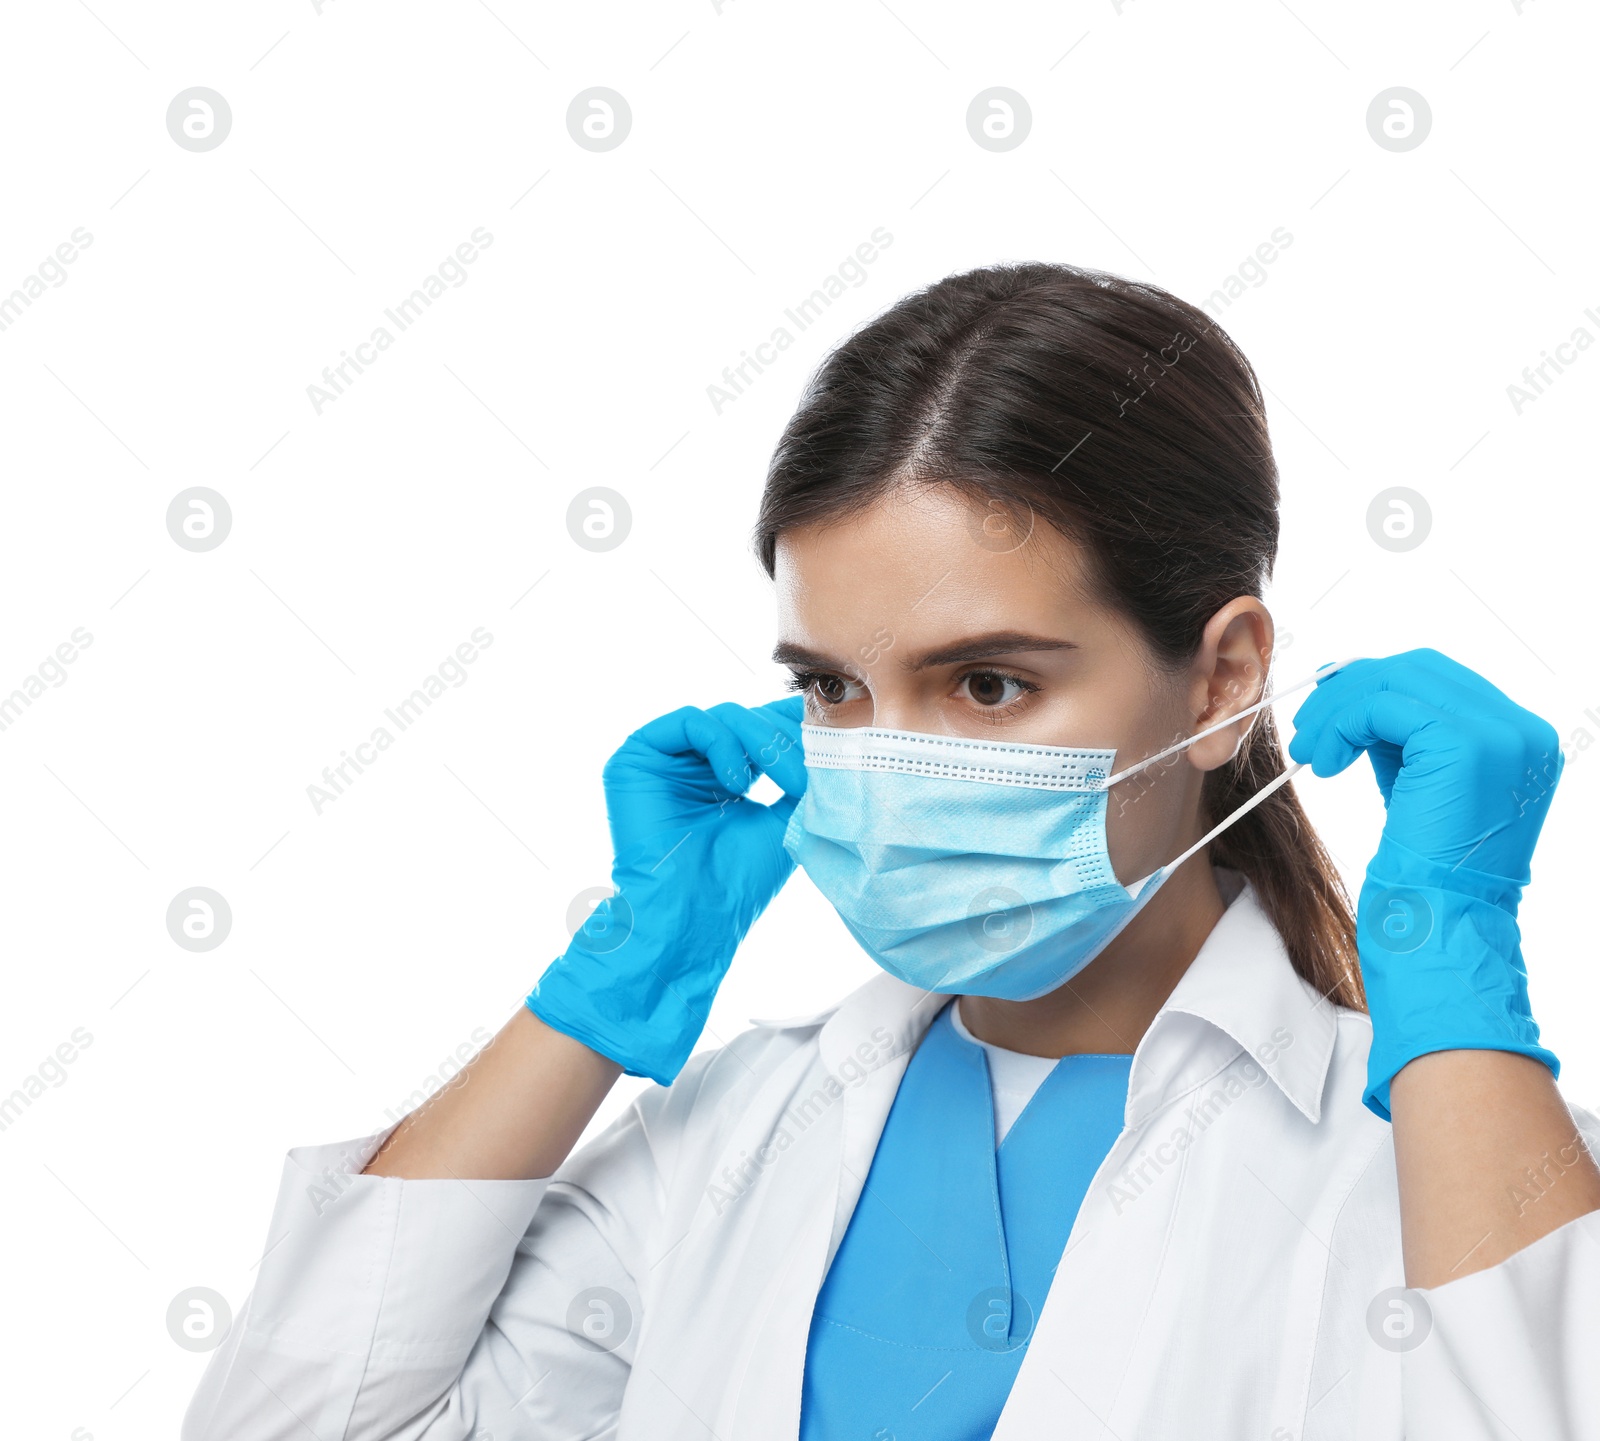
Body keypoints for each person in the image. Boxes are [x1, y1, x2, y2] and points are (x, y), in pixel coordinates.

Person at [182, 263, 1600, 1440]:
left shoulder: (1439, 1167)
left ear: (1223, 679)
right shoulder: (732, 1137)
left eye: (988, 683)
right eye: (831, 690)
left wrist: (1453, 961)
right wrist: (608, 984)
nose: (889, 761)